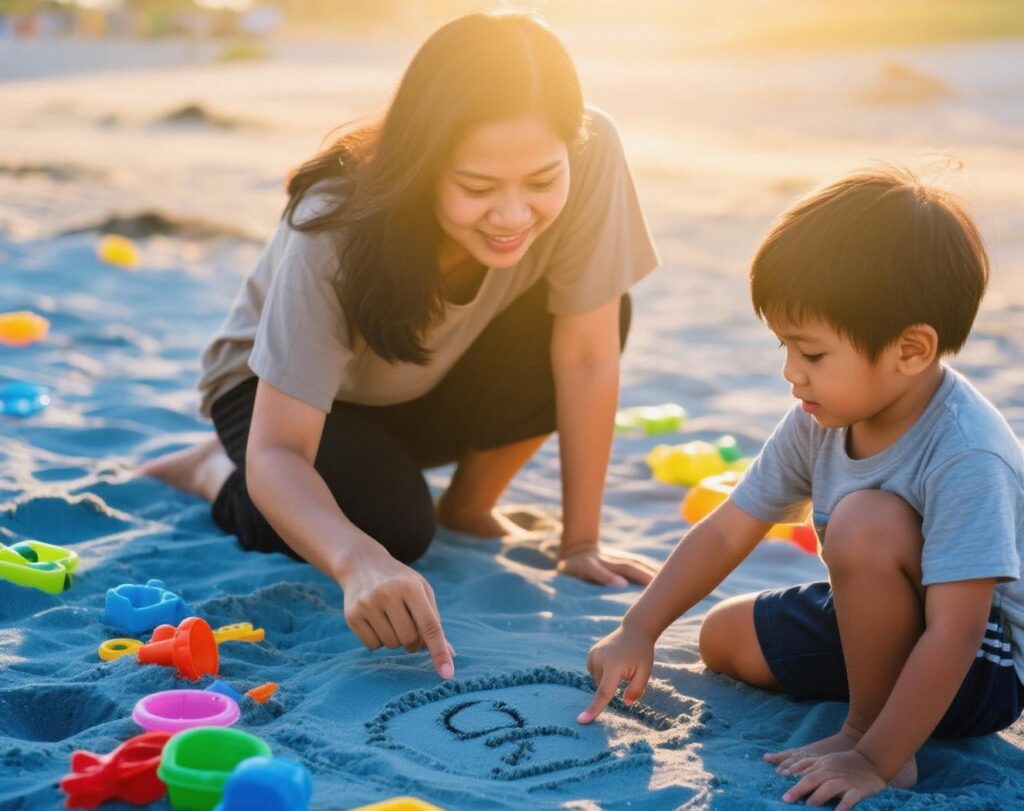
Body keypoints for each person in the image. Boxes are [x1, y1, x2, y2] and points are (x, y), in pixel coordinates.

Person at [140, 11, 660, 682]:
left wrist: (579, 540)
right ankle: (211, 466)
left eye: (540, 182)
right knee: (391, 530)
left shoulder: (592, 149)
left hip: (424, 375)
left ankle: (469, 503)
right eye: (477, 188)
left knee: (603, 307)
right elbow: (280, 449)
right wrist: (358, 560)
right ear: (424, 160)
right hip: (276, 396)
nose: (511, 215)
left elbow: (588, 353)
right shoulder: (335, 217)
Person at [578, 167, 1024, 809]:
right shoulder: (821, 420)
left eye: (811, 354)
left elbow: (954, 631)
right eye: (785, 347)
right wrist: (639, 628)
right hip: (880, 617)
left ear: (910, 349)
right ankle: (870, 710)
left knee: (866, 519)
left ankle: (874, 732)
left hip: (978, 664)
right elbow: (731, 527)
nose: (791, 373)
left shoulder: (967, 452)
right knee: (722, 638)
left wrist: (871, 755)